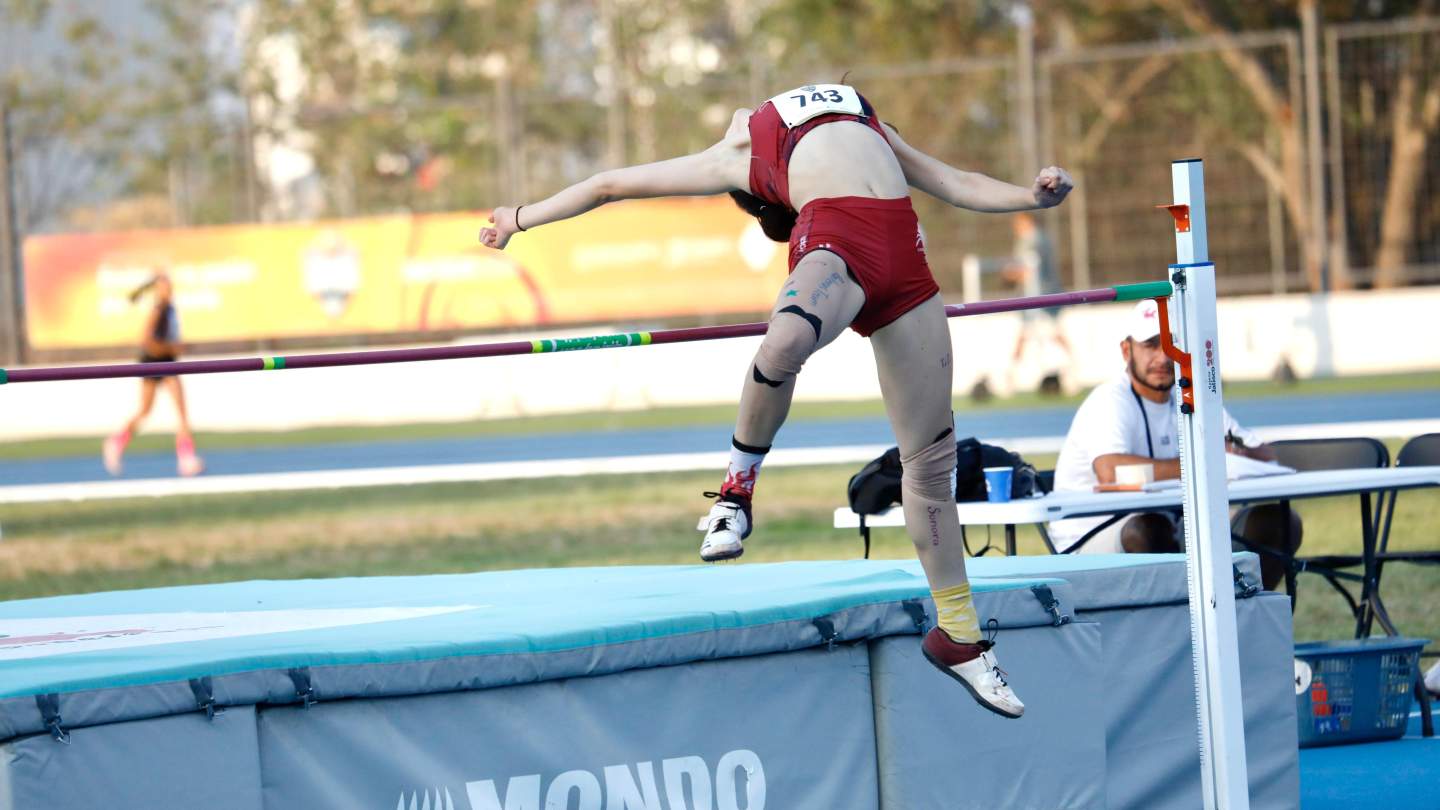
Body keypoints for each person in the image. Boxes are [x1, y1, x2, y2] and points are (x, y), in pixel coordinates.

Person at [481, 82, 1073, 718]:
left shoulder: (865, 113)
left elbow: (951, 179)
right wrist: (520, 218)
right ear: (768, 193)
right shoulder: (735, 156)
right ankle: (735, 496)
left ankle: (958, 635)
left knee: (930, 464)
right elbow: (607, 184)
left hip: (907, 266)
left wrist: (1031, 198)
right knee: (783, 343)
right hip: (837, 250)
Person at [1049, 299, 1301, 588]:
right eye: (1152, 345)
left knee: (1280, 522)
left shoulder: (1192, 395)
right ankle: (1179, 625)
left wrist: (1238, 450)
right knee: (1148, 528)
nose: (1164, 357)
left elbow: (1263, 453)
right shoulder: (1109, 400)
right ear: (1126, 350)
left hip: (1174, 529)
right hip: (1088, 539)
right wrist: (1205, 460)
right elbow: (1111, 471)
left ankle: (1238, 617)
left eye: (1172, 345)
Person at [102, 273, 205, 478]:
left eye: (169, 286)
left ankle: (186, 458)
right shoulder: (158, 310)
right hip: (154, 360)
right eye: (164, 287)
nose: (168, 290)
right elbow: (147, 341)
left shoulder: (170, 309)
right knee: (145, 411)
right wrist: (174, 347)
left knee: (180, 411)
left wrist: (174, 347)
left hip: (166, 360)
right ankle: (115, 443)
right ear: (157, 290)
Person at [1000, 210, 1072, 395]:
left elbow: (1030, 269)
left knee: (1053, 333)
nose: (1015, 228)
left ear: (1026, 222)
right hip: (1032, 297)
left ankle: (1073, 369)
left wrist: (1011, 273)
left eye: (1018, 223)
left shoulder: (1035, 241)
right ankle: (1011, 377)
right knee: (1027, 336)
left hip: (1043, 298)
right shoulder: (1032, 240)